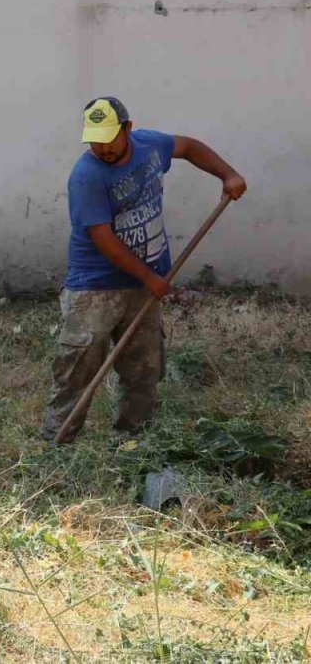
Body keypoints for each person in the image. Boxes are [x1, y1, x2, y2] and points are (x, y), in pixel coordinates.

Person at [41, 97, 247, 443]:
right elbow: (103, 239)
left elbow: (188, 147)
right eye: (95, 140)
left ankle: (133, 439)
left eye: (110, 138)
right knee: (78, 365)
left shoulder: (150, 146)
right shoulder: (86, 176)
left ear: (128, 129)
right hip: (95, 286)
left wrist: (228, 174)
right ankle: (57, 442)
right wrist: (149, 277)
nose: (103, 148)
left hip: (144, 282)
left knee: (144, 365)